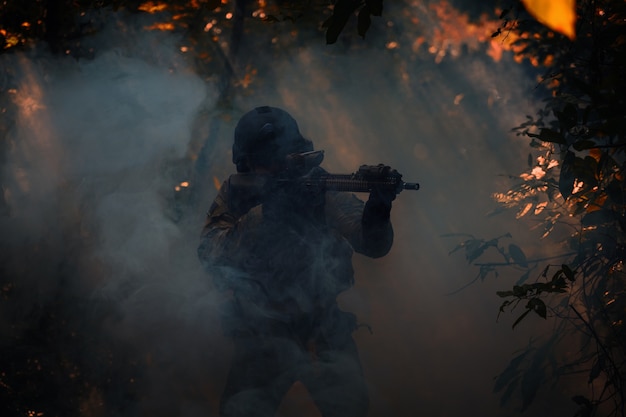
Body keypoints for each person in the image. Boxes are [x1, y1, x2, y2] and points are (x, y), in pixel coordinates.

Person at [197, 106, 400, 417]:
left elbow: (372, 244)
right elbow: (210, 251)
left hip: (322, 327)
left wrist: (378, 209)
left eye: (284, 156)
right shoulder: (238, 193)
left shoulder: (317, 186)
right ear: (248, 162)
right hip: (261, 333)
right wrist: (265, 216)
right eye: (267, 160)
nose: (277, 166)